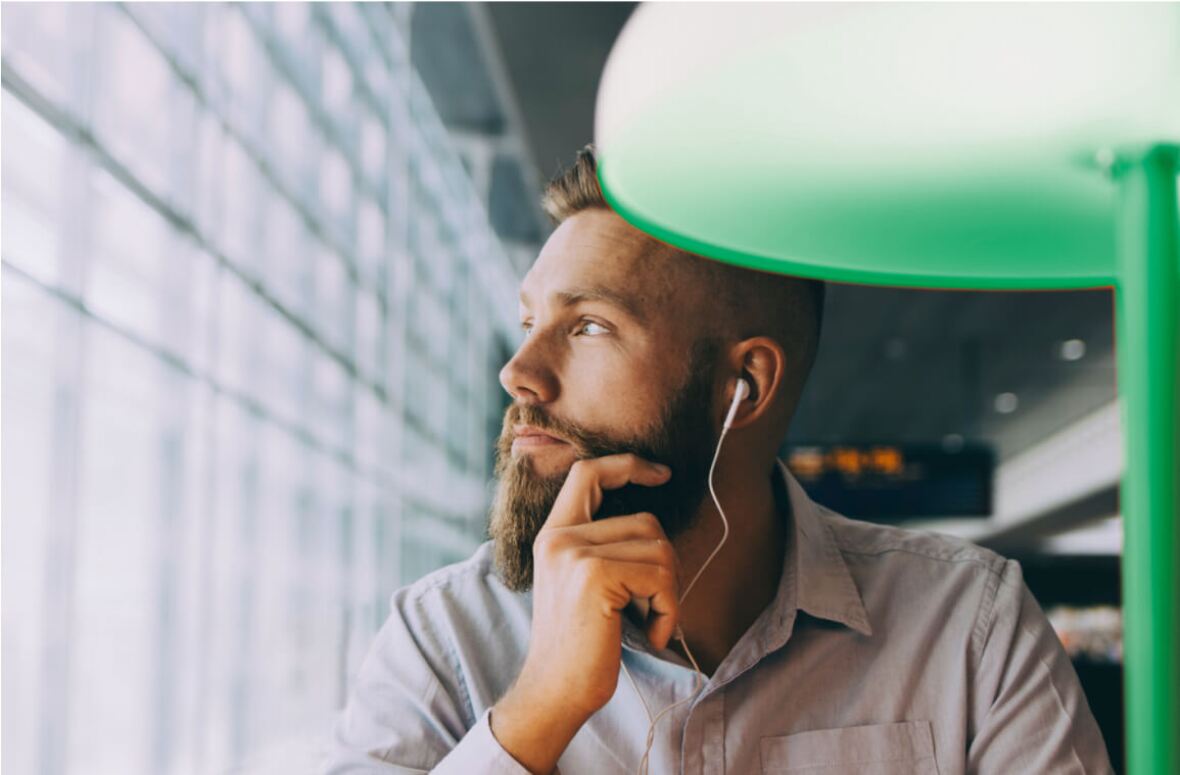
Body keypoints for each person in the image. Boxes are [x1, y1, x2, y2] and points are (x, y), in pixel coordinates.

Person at [323, 146, 1113, 774]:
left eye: (588, 326)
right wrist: (536, 714)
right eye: (529, 320)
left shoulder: (964, 628)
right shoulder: (442, 634)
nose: (519, 371)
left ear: (744, 385)